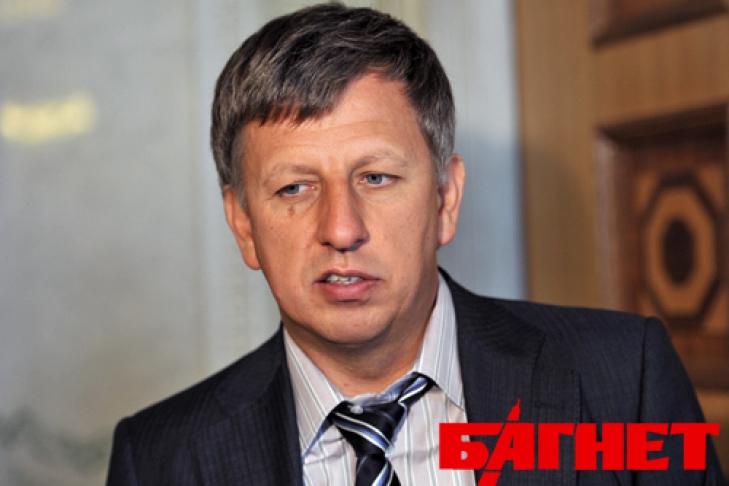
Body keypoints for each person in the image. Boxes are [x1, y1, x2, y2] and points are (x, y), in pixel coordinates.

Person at [106, 3, 724, 485]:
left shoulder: (625, 383)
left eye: (376, 178)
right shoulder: (158, 459)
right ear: (243, 224)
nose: (341, 229)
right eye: (295, 188)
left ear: (444, 199)